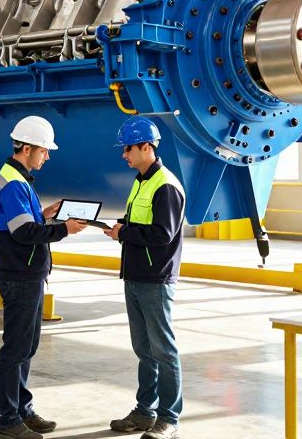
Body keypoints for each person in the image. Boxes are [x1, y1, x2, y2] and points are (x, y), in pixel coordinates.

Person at [0, 115, 87, 439]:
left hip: (26, 274)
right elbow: (23, 233)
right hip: (20, 276)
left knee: (26, 347)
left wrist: (44, 214)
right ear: (28, 149)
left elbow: (21, 222)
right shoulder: (15, 183)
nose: (47, 156)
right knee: (15, 349)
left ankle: (22, 409)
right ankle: (8, 421)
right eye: (44, 150)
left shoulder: (18, 179)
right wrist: (64, 229)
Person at [104, 117, 185, 439]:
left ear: (146, 147)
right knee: (144, 350)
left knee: (164, 351)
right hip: (136, 276)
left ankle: (169, 418)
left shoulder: (165, 185)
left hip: (156, 279)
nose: (124, 155)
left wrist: (125, 232)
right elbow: (140, 222)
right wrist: (119, 226)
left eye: (128, 149)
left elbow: (162, 234)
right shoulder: (141, 181)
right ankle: (144, 411)